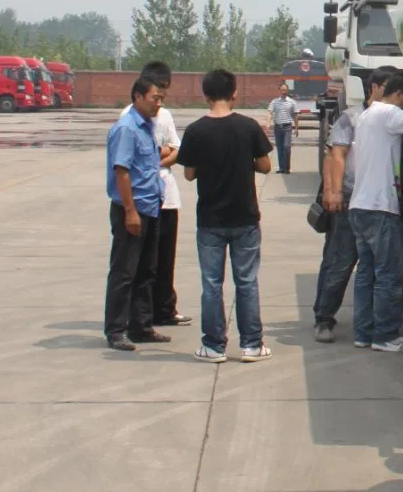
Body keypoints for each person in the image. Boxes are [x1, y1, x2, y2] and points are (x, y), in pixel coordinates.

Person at [176, 67, 277, 362]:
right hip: (245, 217)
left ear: (205, 95)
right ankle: (252, 345)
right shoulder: (248, 127)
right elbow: (266, 166)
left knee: (211, 285)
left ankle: (213, 346)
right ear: (234, 93)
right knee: (246, 282)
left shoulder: (196, 130)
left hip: (210, 220)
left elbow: (190, 173)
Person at [310, 67, 395, 344]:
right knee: (341, 261)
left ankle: (366, 322)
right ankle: (323, 318)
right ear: (376, 87)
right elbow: (336, 155)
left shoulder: (389, 118)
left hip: (375, 200)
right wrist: (333, 192)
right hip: (348, 198)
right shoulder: (353, 117)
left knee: (369, 267)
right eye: (389, 88)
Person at [347, 69, 403, 353]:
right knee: (388, 275)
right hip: (380, 207)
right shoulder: (389, 114)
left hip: (360, 206)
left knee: (366, 273)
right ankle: (386, 336)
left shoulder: (366, 116)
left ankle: (363, 333)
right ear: (399, 94)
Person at [103, 76, 168, 352]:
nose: (159, 103)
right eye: (155, 98)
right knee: (124, 272)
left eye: (161, 98)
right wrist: (130, 212)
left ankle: (141, 326)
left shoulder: (148, 126)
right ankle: (116, 330)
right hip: (132, 210)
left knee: (147, 270)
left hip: (151, 207)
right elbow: (122, 171)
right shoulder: (127, 129)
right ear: (138, 96)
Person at [136, 63, 190, 327]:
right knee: (146, 262)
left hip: (167, 196)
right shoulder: (130, 117)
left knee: (166, 258)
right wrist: (159, 155)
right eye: (158, 92)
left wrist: (158, 160)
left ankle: (166, 309)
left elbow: (177, 150)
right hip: (144, 199)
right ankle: (141, 314)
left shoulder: (165, 116)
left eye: (164, 93)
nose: (161, 99)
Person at [267, 86, 299, 175]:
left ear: (288, 91)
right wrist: (268, 124)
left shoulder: (292, 102)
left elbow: (296, 115)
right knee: (280, 148)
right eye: (282, 90)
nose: (283, 91)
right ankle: (282, 168)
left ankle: (287, 167)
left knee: (286, 147)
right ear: (279, 91)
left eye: (285, 90)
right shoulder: (274, 102)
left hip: (287, 127)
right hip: (278, 127)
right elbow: (270, 112)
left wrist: (296, 128)